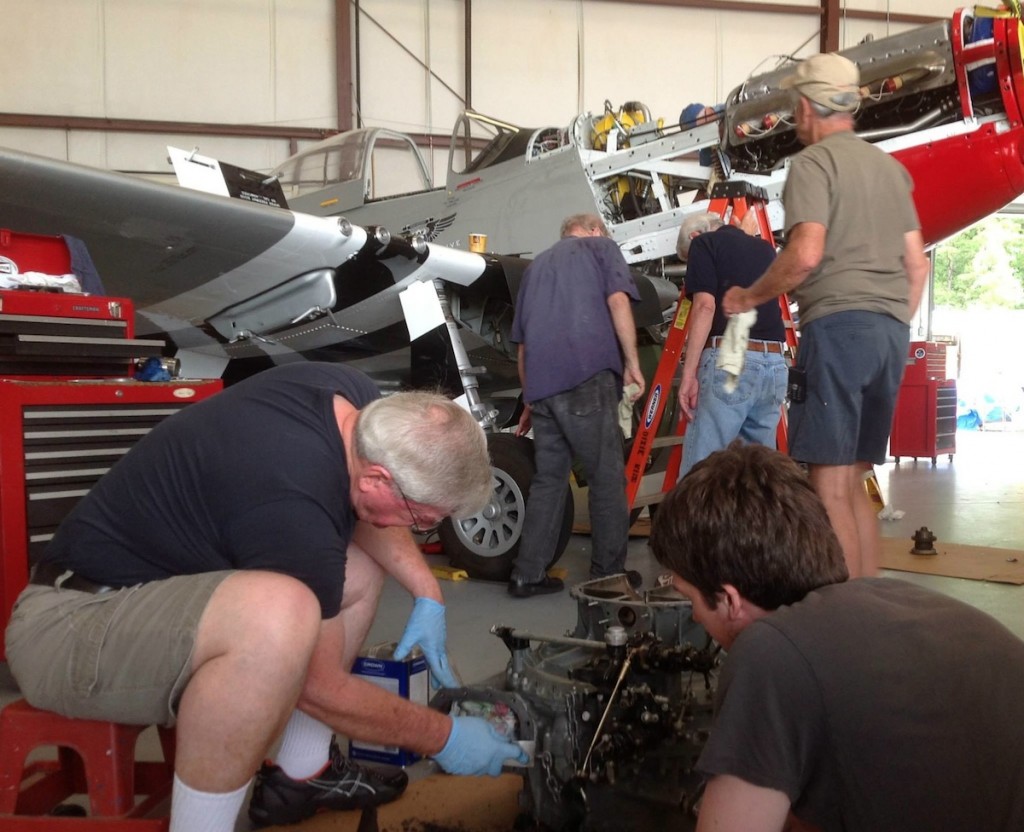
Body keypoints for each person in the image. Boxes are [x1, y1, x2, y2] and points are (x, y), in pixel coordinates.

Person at [4, 362, 527, 832]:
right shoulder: (289, 495)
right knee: (278, 615)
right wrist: (445, 737)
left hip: (145, 592)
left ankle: (302, 773)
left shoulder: (358, 404)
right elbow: (317, 687)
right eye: (422, 520)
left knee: (358, 567)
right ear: (378, 478)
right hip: (70, 626)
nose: (417, 532)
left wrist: (427, 592)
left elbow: (371, 515)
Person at [649, 442, 1024, 832]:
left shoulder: (770, 652)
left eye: (688, 597)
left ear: (729, 600)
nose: (692, 615)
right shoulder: (898, 602)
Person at [722, 53, 930, 577]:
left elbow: (806, 254)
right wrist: (891, 328)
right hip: (888, 337)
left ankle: (842, 617)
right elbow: (917, 267)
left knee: (827, 487)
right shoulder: (890, 169)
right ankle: (868, 603)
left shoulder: (813, 165)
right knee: (855, 481)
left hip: (840, 328)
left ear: (808, 107)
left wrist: (749, 297)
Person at [508, 213, 645, 597]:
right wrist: (632, 363)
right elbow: (618, 300)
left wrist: (530, 398)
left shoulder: (534, 269)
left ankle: (526, 574)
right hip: (587, 376)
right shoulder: (602, 247)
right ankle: (607, 576)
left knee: (549, 480)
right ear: (594, 229)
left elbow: (523, 345)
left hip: (543, 387)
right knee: (606, 476)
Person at [675, 212, 787, 479]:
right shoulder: (765, 249)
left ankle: (694, 522)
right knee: (759, 477)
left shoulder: (704, 244)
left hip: (732, 361)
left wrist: (688, 375)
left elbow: (704, 306)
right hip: (774, 365)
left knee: (701, 475)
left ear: (694, 236)